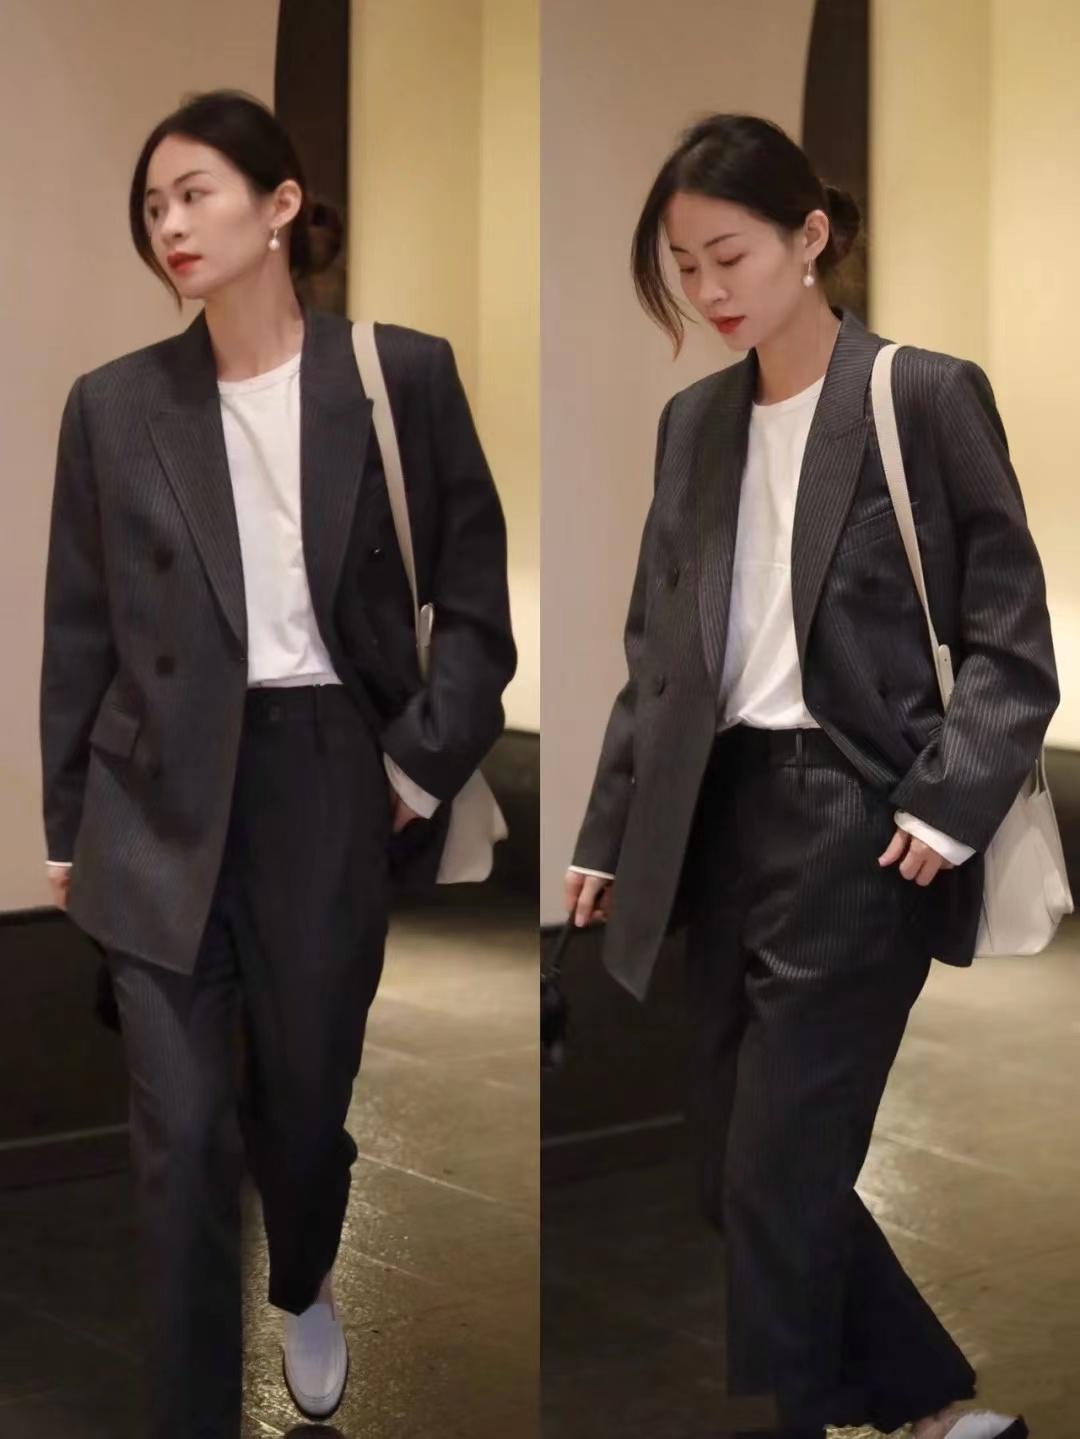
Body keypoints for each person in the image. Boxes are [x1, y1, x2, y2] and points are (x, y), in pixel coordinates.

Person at [564, 113, 1053, 1439]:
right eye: (686, 269)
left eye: (729, 257)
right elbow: (660, 653)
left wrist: (949, 799)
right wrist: (610, 826)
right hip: (716, 817)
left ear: (810, 236)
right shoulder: (693, 424)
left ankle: (822, 1422)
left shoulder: (920, 397)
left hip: (856, 820)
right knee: (738, 1175)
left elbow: (1012, 639)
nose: (709, 292)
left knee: (777, 1169)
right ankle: (931, 1411)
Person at [40, 89, 515, 1438]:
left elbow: (477, 609)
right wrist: (68, 827)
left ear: (281, 206)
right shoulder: (115, 404)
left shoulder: (395, 375)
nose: (170, 224)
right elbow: (79, 631)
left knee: (301, 1108)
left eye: (195, 193)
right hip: (154, 798)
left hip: (326, 777)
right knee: (183, 1142)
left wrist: (409, 773)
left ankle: (302, 1273)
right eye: (152, 206)